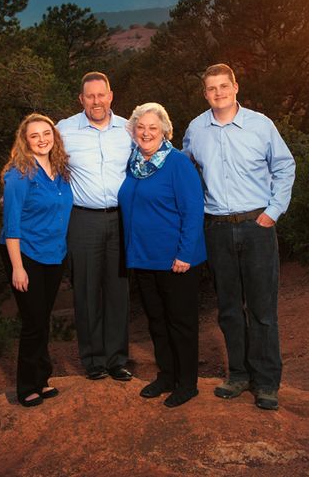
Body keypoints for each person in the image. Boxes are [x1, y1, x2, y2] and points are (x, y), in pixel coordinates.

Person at [182, 63, 296, 411]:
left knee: (262, 309)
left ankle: (266, 382)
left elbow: (284, 166)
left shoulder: (261, 125)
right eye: (211, 88)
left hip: (256, 226)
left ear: (235, 88)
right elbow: (185, 171)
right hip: (216, 227)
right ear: (205, 94)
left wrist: (272, 212)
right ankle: (239, 374)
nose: (218, 93)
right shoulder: (196, 129)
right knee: (229, 308)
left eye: (223, 86)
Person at [118, 102, 206, 408]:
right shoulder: (133, 164)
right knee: (156, 321)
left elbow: (194, 211)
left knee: (180, 322)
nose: (146, 132)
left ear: (165, 131)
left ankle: (187, 383)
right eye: (140, 127)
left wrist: (184, 253)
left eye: (153, 128)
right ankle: (167, 375)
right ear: (133, 131)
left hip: (176, 260)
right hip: (143, 257)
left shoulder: (178, 164)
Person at [57, 72, 132, 381]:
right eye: (90, 96)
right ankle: (93, 361)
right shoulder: (63, 130)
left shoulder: (128, 128)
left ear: (110, 96)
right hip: (83, 218)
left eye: (101, 95)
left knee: (118, 290)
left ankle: (117, 360)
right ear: (81, 99)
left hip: (121, 219)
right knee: (86, 290)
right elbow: (43, 163)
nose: (96, 101)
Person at [0, 113, 74, 407]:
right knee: (33, 322)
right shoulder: (19, 175)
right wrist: (17, 267)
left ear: (54, 136)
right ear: (25, 141)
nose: (42, 139)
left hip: (54, 253)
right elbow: (12, 225)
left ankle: (42, 380)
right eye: (35, 135)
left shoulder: (61, 170)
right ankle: (26, 386)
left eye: (47, 133)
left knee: (43, 318)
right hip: (24, 253)